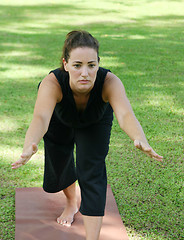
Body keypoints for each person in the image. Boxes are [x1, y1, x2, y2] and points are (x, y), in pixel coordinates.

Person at [12, 30, 163, 240]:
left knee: (92, 171)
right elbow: (40, 118)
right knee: (60, 162)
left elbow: (126, 113)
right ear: (65, 64)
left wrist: (139, 137)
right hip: (59, 119)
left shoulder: (110, 82)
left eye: (91, 65)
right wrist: (30, 143)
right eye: (77, 65)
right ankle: (72, 202)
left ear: (98, 64)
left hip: (95, 122)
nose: (85, 72)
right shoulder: (52, 83)